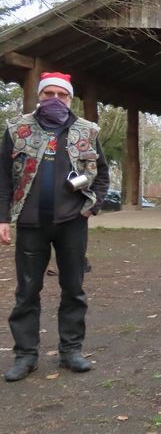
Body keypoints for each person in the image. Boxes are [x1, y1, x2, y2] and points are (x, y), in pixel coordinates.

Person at [0, 72, 110, 382]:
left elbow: (102, 174)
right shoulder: (17, 129)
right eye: (48, 93)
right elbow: (3, 177)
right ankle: (25, 355)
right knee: (26, 291)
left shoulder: (87, 131)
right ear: (39, 96)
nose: (55, 99)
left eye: (62, 95)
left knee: (73, 288)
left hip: (72, 223)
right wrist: (3, 218)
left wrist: (92, 206)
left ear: (70, 98)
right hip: (30, 223)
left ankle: (71, 350)